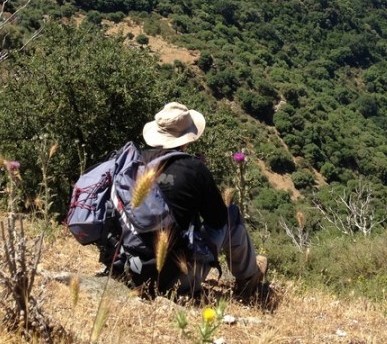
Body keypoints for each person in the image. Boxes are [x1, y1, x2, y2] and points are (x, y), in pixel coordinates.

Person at [106, 101, 267, 300]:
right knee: (231, 215)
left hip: (124, 268)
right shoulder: (194, 169)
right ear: (187, 139)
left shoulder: (132, 164)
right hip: (174, 280)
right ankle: (249, 278)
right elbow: (218, 221)